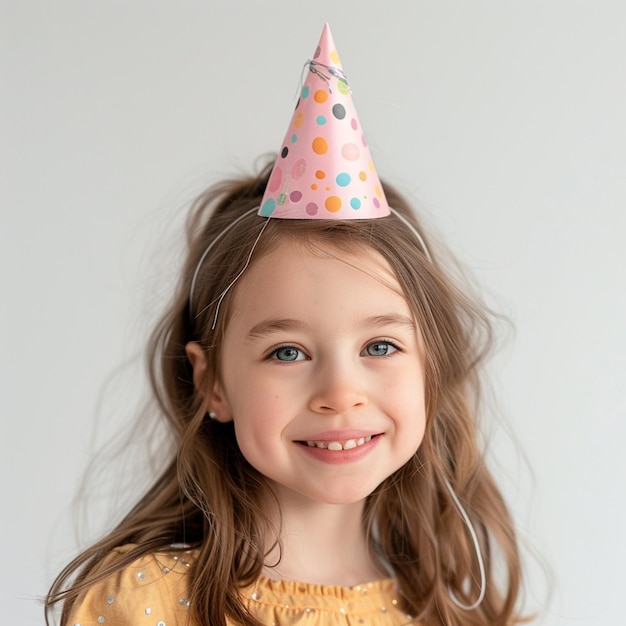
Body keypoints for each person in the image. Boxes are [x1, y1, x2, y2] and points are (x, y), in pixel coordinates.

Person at [46, 24, 525, 626]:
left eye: (380, 345)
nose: (340, 393)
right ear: (212, 382)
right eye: (287, 353)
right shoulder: (144, 603)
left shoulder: (450, 611)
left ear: (432, 365)